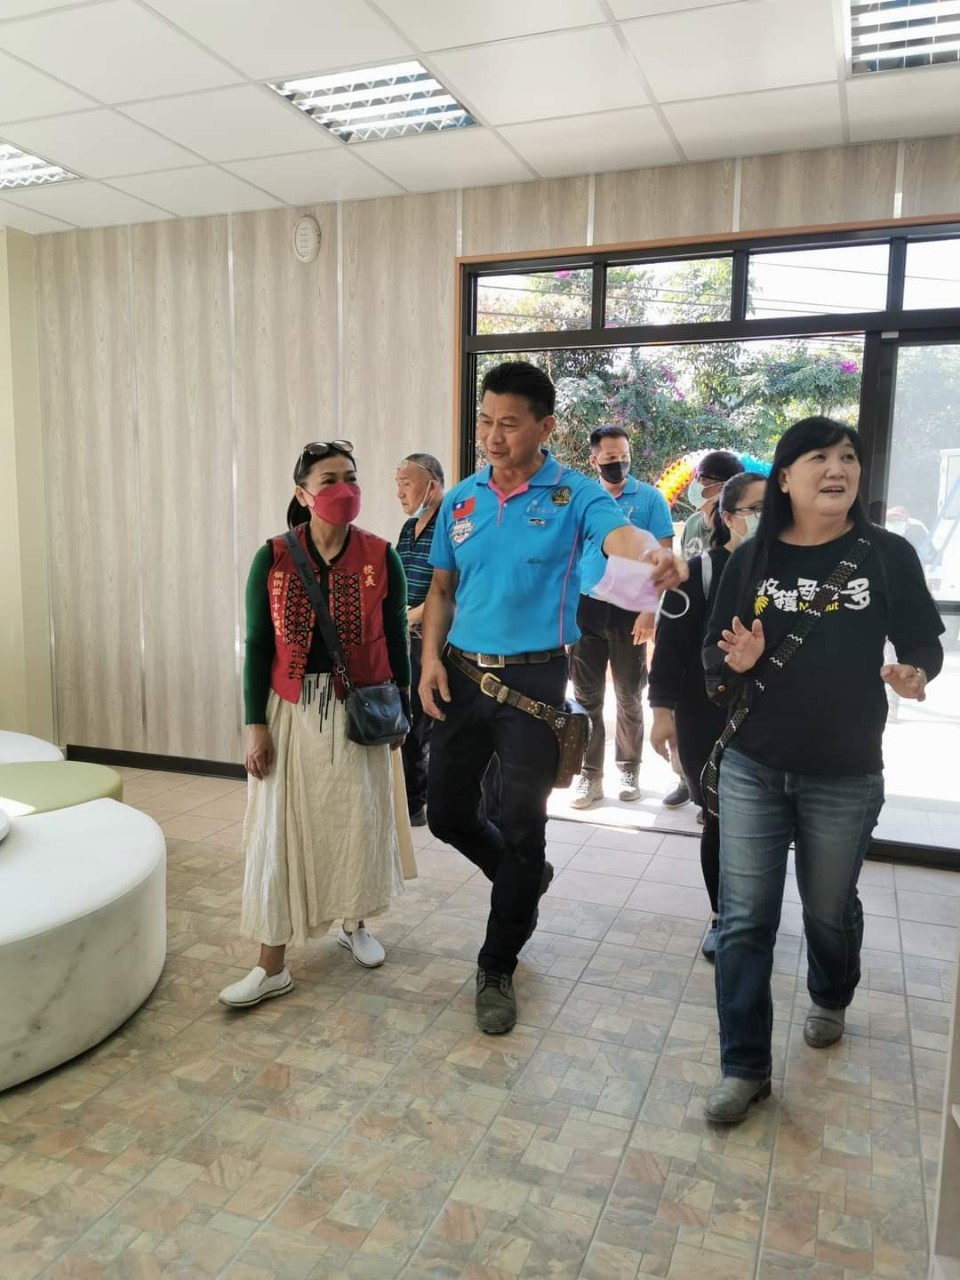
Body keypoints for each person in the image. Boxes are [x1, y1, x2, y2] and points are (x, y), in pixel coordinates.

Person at [419, 361, 688, 1036]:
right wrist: (427, 662)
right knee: (447, 814)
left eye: (509, 424)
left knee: (521, 823)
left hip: (535, 683)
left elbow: (618, 535)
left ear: (545, 427)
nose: (493, 436)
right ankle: (524, 878)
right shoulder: (462, 499)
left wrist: (651, 554)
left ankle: (496, 964)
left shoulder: (575, 494)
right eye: (486, 421)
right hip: (460, 675)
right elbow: (442, 591)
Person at [702, 417, 944, 1123]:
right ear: (784, 476)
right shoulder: (752, 559)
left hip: (845, 770)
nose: (837, 468)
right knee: (744, 920)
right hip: (754, 764)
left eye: (848, 457)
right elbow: (714, 655)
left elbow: (925, 640)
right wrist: (736, 662)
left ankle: (831, 992)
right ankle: (743, 1066)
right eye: (819, 457)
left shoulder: (885, 554)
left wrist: (914, 671)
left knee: (827, 909)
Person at [219, 440, 415, 1008]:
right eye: (329, 480)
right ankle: (271, 964)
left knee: (356, 821)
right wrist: (254, 724)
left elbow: (396, 638)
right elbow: (257, 644)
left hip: (361, 711)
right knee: (279, 833)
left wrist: (402, 708)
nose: (343, 489)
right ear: (303, 494)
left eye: (350, 477)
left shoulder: (382, 556)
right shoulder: (273, 557)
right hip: (290, 710)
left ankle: (355, 924)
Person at [649, 471, 768, 961]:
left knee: (763, 824)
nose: (765, 519)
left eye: (774, 508)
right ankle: (723, 916)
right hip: (705, 717)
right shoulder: (697, 573)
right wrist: (661, 712)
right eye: (755, 510)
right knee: (718, 819)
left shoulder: (790, 573)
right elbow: (670, 649)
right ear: (727, 517)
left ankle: (754, 913)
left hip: (772, 718)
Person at [569, 425, 674, 809]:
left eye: (624, 456)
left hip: (631, 609)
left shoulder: (649, 499)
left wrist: (649, 611)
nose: (619, 463)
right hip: (586, 607)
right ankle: (590, 775)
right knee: (586, 696)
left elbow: (664, 555)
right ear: (594, 460)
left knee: (629, 693)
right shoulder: (583, 499)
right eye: (610, 458)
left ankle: (629, 767)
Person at [665, 450, 746, 811]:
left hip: (731, 645)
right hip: (694, 639)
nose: (698, 487)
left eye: (706, 482)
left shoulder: (745, 534)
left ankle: (714, 793)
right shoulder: (696, 523)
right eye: (698, 480)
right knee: (691, 724)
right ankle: (688, 780)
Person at [395, 453, 445, 826]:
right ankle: (410, 800)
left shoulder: (450, 526)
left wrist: (408, 616)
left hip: (435, 643)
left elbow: (449, 590)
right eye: (397, 484)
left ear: (432, 484)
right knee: (407, 721)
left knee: (429, 723)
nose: (399, 492)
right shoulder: (408, 527)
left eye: (406, 484)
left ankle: (425, 802)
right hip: (405, 639)